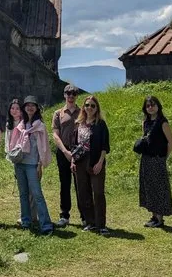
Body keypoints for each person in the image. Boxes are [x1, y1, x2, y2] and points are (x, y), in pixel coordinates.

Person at [8, 95, 54, 235]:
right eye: (27, 105)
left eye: (32, 105)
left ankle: (46, 224)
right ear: (24, 108)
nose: (30, 107)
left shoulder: (40, 126)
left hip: (32, 164)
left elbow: (43, 147)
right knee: (23, 194)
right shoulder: (21, 125)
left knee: (37, 194)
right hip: (20, 163)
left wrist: (40, 164)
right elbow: (14, 144)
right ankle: (26, 220)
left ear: (36, 108)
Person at [71, 95, 110, 235]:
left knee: (98, 192)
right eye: (87, 105)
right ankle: (90, 222)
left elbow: (105, 146)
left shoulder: (101, 124)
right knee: (83, 192)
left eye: (93, 105)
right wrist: (72, 161)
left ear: (97, 108)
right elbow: (74, 145)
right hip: (80, 162)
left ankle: (101, 225)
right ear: (83, 107)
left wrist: (100, 162)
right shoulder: (78, 124)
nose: (90, 108)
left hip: (95, 160)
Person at [139, 95, 172, 228]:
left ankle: (159, 218)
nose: (150, 107)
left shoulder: (163, 122)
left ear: (158, 106)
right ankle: (154, 216)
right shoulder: (145, 122)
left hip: (157, 159)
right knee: (149, 188)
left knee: (159, 188)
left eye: (153, 104)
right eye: (148, 106)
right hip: (146, 159)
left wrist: (164, 157)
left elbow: (171, 142)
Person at [51, 84, 84, 227]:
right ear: (64, 95)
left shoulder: (82, 112)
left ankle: (85, 216)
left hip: (79, 151)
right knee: (64, 184)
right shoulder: (58, 113)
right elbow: (55, 135)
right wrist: (65, 151)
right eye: (68, 93)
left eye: (74, 94)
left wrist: (75, 152)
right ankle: (64, 215)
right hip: (63, 150)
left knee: (80, 184)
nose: (71, 96)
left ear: (77, 96)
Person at [5, 99, 38, 223]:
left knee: (32, 189)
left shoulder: (25, 123)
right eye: (12, 108)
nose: (14, 111)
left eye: (17, 108)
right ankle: (25, 215)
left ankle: (33, 215)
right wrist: (12, 157)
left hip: (29, 159)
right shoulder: (9, 124)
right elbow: (7, 143)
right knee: (23, 189)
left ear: (21, 110)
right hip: (16, 159)